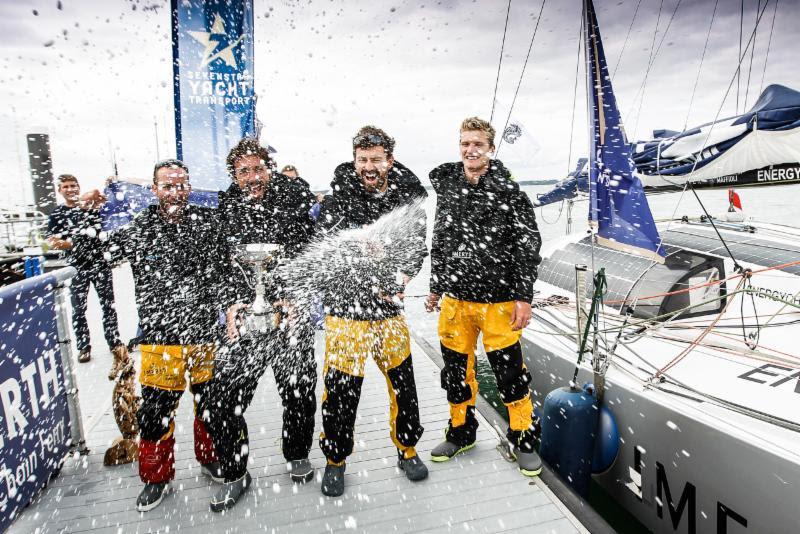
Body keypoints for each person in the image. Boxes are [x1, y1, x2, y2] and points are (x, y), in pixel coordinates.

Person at [101, 159, 227, 511]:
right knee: (155, 414)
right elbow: (103, 257)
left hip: (205, 334)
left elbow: (228, 271)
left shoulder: (207, 223)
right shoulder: (140, 228)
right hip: (160, 338)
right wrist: (86, 237)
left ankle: (211, 458)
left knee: (211, 406)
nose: (176, 192)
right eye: (168, 186)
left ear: (189, 186)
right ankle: (156, 478)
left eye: (182, 184)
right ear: (154, 190)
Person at [425, 117, 543, 476]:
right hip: (456, 301)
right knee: (456, 373)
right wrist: (435, 284)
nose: (470, 150)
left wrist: (524, 296)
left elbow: (528, 246)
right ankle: (461, 432)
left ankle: (523, 437)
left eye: (477, 144)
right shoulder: (448, 190)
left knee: (510, 374)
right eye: (464, 143)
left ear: (490, 148)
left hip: (499, 302)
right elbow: (441, 240)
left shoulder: (510, 193)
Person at [205, 138, 318, 512]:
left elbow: (308, 253)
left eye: (258, 169)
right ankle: (236, 472)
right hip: (246, 324)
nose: (253, 178)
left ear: (269, 167)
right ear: (233, 175)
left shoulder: (292, 201)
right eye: (244, 172)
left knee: (299, 390)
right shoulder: (226, 209)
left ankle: (297, 453)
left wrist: (291, 296)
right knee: (223, 399)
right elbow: (219, 266)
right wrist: (232, 302)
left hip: (289, 320)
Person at [317, 125, 429, 497]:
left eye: (376, 160)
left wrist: (401, 274)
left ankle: (408, 449)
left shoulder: (408, 196)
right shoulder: (337, 195)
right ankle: (335, 461)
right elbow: (325, 240)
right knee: (341, 391)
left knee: (404, 385)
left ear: (389, 161)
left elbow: (416, 246)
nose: (369, 166)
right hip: (345, 310)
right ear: (354, 161)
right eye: (362, 160)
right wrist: (358, 249)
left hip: (388, 310)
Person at [46, 174, 129, 375]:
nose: (70, 189)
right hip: (76, 267)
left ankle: (114, 340)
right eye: (66, 186)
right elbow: (53, 241)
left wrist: (111, 185)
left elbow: (110, 205)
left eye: (74, 185)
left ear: (79, 186)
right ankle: (84, 346)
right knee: (78, 308)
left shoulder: (91, 206)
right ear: (60, 190)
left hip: (100, 263)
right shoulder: (57, 214)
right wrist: (77, 243)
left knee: (108, 304)